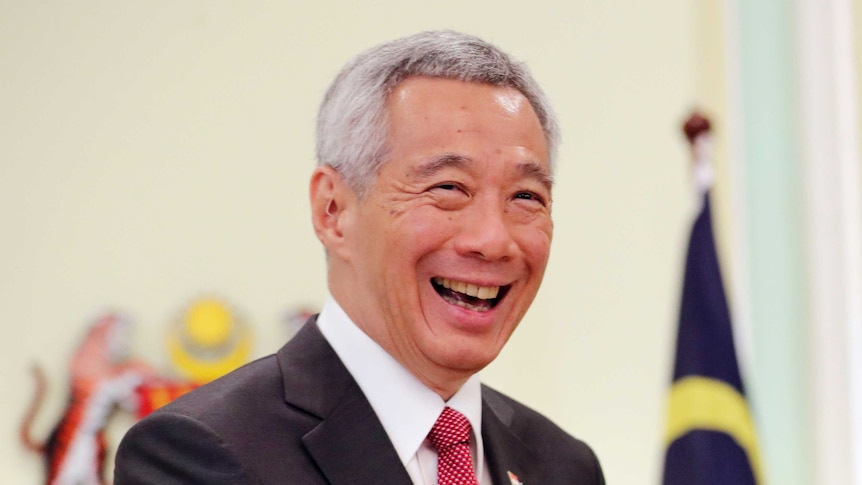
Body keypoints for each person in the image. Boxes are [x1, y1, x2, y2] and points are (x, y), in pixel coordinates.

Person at [114, 30, 604, 485]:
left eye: (526, 197)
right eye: (448, 188)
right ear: (333, 211)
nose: (493, 240)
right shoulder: (203, 452)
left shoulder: (562, 465)